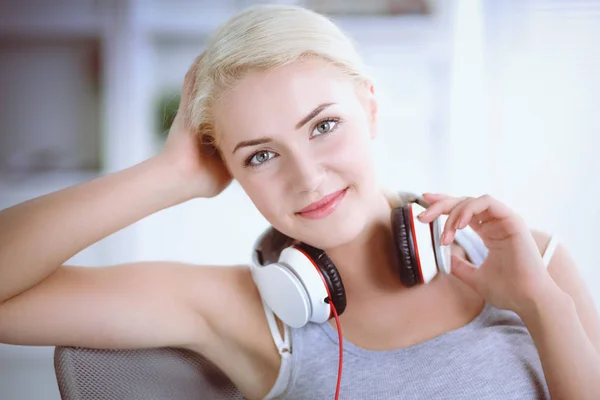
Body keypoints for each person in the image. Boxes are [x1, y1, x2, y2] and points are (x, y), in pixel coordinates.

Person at [0, 4, 599, 400]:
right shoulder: (245, 315)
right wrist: (171, 176)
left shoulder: (527, 260)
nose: (308, 178)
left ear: (369, 107)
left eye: (322, 126)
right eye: (260, 155)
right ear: (228, 168)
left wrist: (541, 304)